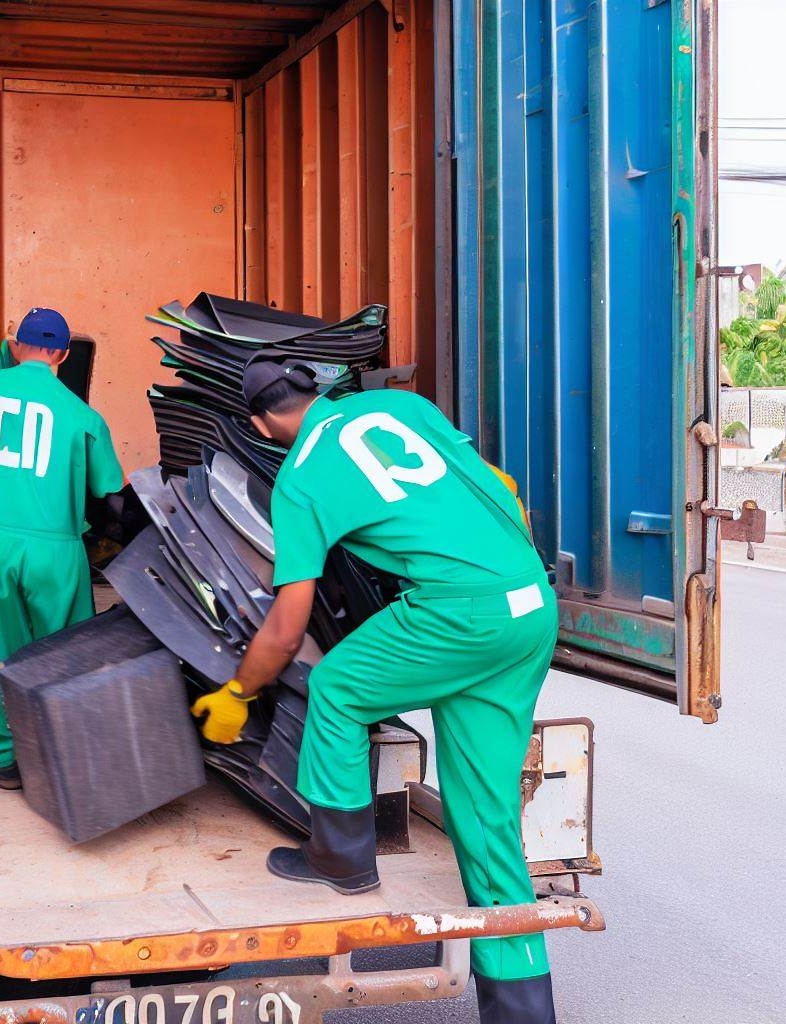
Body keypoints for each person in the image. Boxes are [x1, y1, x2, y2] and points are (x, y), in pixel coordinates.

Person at [192, 357, 560, 1024]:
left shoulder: (300, 477)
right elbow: (499, 488)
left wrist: (240, 692)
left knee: (337, 686)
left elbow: (286, 626)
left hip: (459, 613)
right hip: (529, 604)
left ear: (259, 423)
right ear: (314, 391)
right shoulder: (404, 410)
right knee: (485, 819)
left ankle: (340, 856)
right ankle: (523, 1011)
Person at [0, 308, 123, 790]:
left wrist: (6, 357)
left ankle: (3, 759)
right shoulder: (83, 415)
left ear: (16, 344)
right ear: (63, 354)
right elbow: (108, 485)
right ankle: (63, 752)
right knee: (66, 651)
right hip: (56, 551)